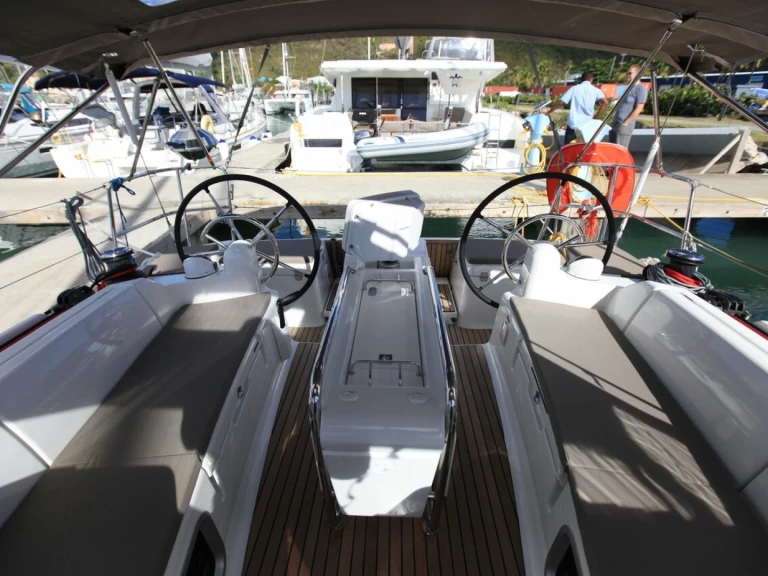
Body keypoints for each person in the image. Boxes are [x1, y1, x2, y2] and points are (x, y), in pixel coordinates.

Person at [549, 72, 608, 144]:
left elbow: (561, 102)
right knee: (584, 148)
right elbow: (605, 102)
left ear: (582, 79)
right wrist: (596, 116)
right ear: (591, 79)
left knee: (569, 148)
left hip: (574, 124)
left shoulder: (574, 88)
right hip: (587, 124)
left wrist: (548, 112)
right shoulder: (595, 90)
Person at [610, 64, 647, 148]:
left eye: (630, 73)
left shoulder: (640, 89)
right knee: (612, 148)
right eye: (627, 73)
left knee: (620, 150)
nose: (628, 75)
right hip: (616, 123)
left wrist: (626, 123)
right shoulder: (628, 87)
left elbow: (639, 108)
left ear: (637, 74)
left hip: (624, 125)